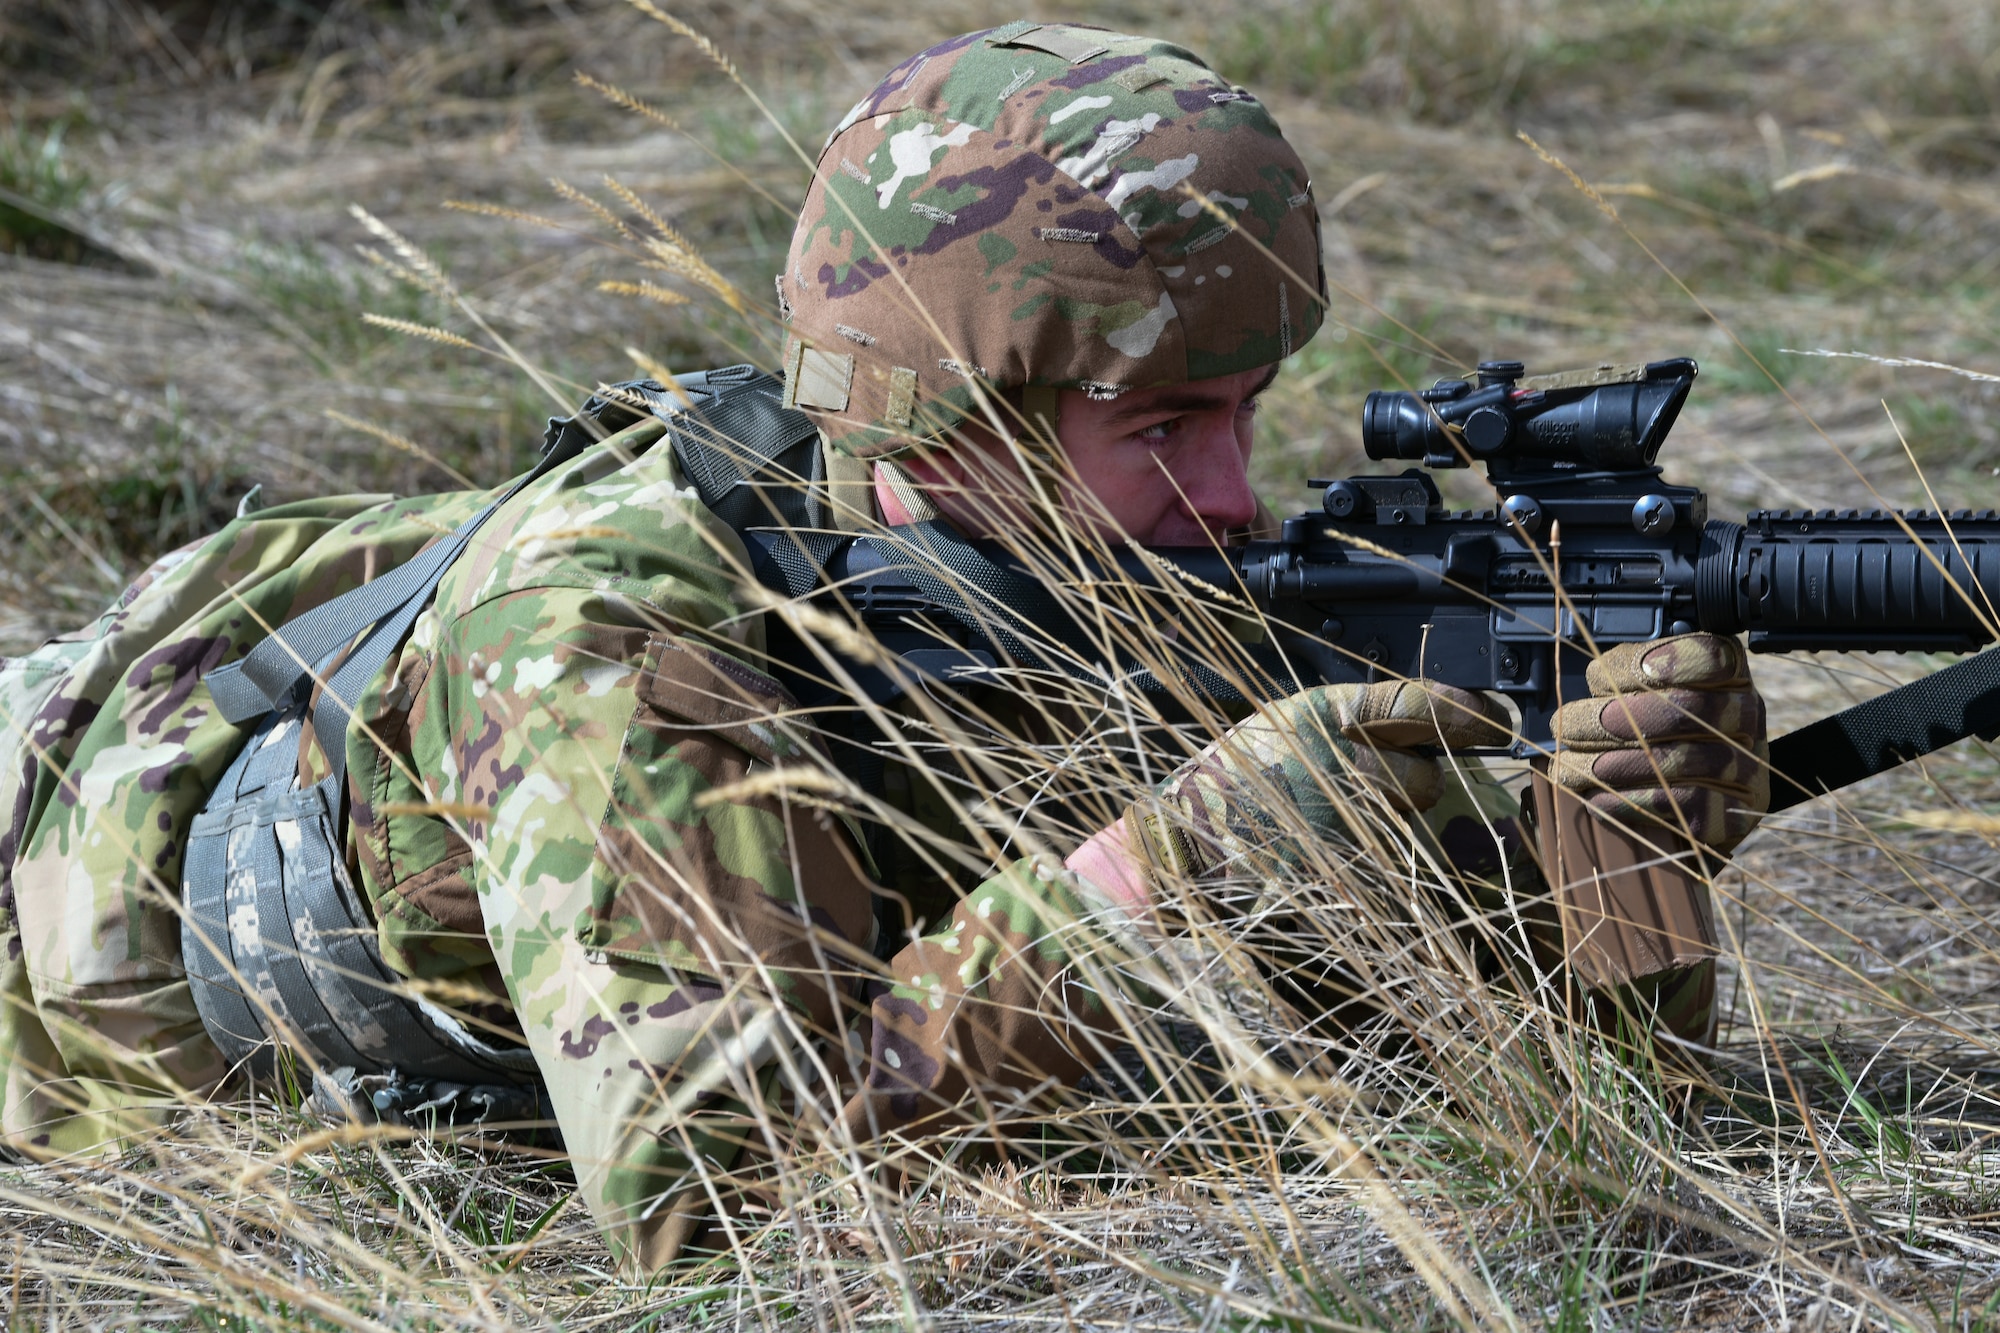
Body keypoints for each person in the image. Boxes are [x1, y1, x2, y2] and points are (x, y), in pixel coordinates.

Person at [0, 22, 1768, 1270]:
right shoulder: (610, 657)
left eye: (1248, 410)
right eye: (1162, 420)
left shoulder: (1106, 565)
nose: (1237, 493)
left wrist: (1606, 864)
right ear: (945, 420)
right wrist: (1166, 881)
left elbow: (1526, 1119)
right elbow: (729, 1220)